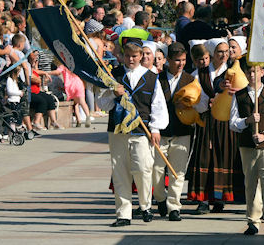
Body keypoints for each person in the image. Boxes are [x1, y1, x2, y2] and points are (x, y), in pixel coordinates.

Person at [96, 39, 169, 227]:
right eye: (127, 55)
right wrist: (113, 93)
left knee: (143, 169)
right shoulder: (113, 75)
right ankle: (123, 214)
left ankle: (145, 207)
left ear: (141, 56)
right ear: (122, 56)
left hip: (141, 130)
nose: (131, 59)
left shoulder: (151, 77)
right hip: (118, 130)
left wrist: (155, 128)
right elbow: (102, 104)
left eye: (135, 56)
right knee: (120, 171)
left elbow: (158, 105)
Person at [230, 64, 264, 238]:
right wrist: (247, 121)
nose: (252, 75)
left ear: (262, 72)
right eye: (249, 72)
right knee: (251, 182)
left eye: (256, 71)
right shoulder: (239, 96)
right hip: (247, 145)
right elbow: (233, 122)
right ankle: (253, 221)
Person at [152, 42, 204, 222]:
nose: (180, 64)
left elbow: (200, 101)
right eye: (177, 61)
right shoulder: (157, 79)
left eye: (183, 60)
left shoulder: (190, 80)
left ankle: (174, 207)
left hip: (183, 131)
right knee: (157, 170)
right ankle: (160, 198)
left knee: (178, 171)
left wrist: (191, 104)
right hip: (162, 131)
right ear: (168, 61)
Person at [187, 39, 239, 214]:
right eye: (219, 52)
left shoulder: (232, 71)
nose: (224, 55)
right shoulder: (199, 74)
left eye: (226, 51)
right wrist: (207, 102)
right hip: (206, 120)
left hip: (225, 122)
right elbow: (196, 96)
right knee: (204, 157)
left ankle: (219, 198)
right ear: (211, 53)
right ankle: (202, 199)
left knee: (223, 156)